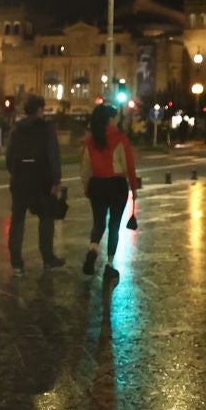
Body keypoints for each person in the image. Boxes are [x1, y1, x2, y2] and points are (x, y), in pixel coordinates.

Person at [3, 93, 63, 275]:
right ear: (39, 110)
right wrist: (56, 180)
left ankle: (17, 263)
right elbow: (53, 155)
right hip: (42, 181)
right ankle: (47, 258)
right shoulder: (47, 128)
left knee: (18, 221)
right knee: (46, 219)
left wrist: (16, 172)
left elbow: (8, 156)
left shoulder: (17, 128)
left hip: (20, 181)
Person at [79, 103, 138, 283]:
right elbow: (129, 165)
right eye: (114, 117)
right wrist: (134, 189)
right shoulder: (120, 139)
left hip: (97, 184)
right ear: (110, 119)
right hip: (116, 185)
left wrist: (87, 187)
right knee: (114, 225)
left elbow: (85, 168)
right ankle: (110, 266)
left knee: (98, 223)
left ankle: (93, 250)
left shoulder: (90, 141)